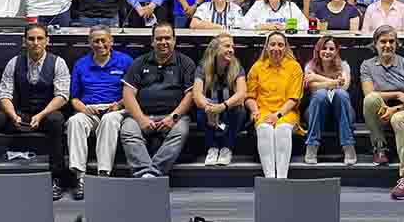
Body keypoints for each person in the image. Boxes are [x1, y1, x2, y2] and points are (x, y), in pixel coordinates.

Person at [0, 23, 71, 199]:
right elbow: (4, 95)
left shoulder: (58, 63)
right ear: (24, 41)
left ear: (47, 41)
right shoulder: (14, 63)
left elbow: (62, 96)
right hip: (21, 114)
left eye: (40, 38)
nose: (35, 42)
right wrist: (13, 115)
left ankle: (57, 179)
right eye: (31, 39)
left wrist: (41, 115)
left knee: (57, 120)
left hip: (45, 115)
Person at [119, 22, 195, 177]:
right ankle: (144, 172)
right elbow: (128, 94)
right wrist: (141, 119)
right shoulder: (140, 62)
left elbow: (190, 95)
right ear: (152, 41)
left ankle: (153, 173)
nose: (163, 42)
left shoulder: (185, 63)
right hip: (142, 114)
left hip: (173, 115)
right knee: (128, 130)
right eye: (159, 39)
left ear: (174, 40)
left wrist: (173, 117)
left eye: (167, 38)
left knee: (181, 130)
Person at [66, 26, 133, 198]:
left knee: (109, 120)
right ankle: (80, 178)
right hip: (90, 109)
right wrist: (85, 109)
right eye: (96, 41)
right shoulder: (81, 64)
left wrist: (119, 104)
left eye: (104, 40)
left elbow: (134, 91)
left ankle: (104, 175)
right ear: (89, 43)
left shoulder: (125, 61)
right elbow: (74, 98)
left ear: (111, 41)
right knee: (75, 121)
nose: (100, 44)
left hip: (117, 108)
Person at [361, 25, 404, 200]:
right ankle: (380, 147)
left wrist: (395, 109)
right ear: (375, 44)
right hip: (380, 109)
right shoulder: (367, 65)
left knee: (399, 119)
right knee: (370, 100)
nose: (387, 45)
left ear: (397, 44)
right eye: (383, 41)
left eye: (391, 41)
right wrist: (397, 94)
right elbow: (369, 94)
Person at [245, 31, 304, 178]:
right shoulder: (257, 67)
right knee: (265, 129)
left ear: (285, 48)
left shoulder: (294, 67)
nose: (276, 48)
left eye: (280, 45)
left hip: (286, 112)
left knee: (282, 130)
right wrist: (254, 110)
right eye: (272, 44)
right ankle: (270, 179)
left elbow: (294, 99)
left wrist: (277, 115)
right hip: (263, 110)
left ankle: (282, 178)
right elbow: (249, 96)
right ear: (266, 47)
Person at [192, 33, 248, 166]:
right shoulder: (203, 67)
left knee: (239, 110)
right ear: (215, 49)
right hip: (211, 111)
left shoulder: (237, 67)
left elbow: (241, 94)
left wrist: (222, 107)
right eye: (227, 46)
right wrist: (209, 108)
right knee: (200, 111)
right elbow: (197, 94)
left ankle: (227, 148)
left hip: (228, 110)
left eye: (232, 47)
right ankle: (212, 148)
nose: (231, 50)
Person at [303, 35, 357, 165]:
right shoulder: (310, 66)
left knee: (341, 94)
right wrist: (332, 82)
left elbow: (344, 86)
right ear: (318, 50)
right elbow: (311, 87)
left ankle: (348, 146)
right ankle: (312, 146)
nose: (327, 51)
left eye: (331, 48)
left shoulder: (344, 66)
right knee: (320, 94)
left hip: (341, 113)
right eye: (324, 48)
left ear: (336, 51)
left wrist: (317, 78)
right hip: (316, 113)